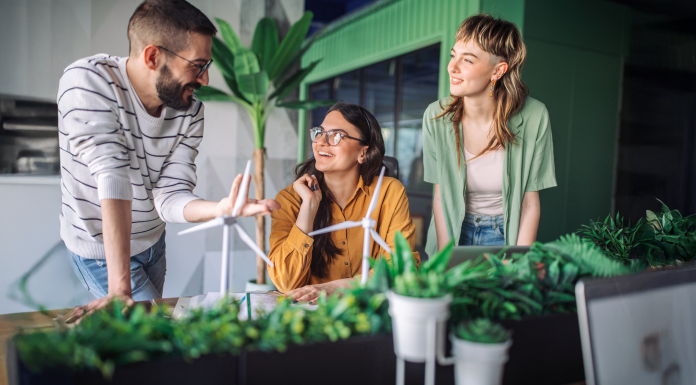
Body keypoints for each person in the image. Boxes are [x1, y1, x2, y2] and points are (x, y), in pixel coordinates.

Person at [60, 0, 278, 321]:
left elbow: (170, 195)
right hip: (101, 252)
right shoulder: (88, 81)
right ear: (153, 56)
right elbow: (112, 173)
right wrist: (120, 289)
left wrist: (220, 210)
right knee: (156, 331)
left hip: (153, 242)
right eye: (197, 65)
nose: (204, 80)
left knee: (146, 339)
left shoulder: (189, 111)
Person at [422, 14, 556, 256]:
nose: (452, 66)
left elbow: (529, 204)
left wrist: (517, 263)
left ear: (498, 71)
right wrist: (445, 259)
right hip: (454, 231)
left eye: (468, 60)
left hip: (506, 235)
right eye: (454, 56)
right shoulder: (436, 116)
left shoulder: (535, 116)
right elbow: (441, 198)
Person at [268, 102, 420, 303]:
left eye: (336, 135)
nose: (321, 142)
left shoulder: (389, 191)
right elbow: (286, 282)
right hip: (310, 314)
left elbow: (401, 267)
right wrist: (308, 209)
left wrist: (336, 287)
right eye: (320, 132)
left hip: (369, 308)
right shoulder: (290, 200)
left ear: (362, 153)